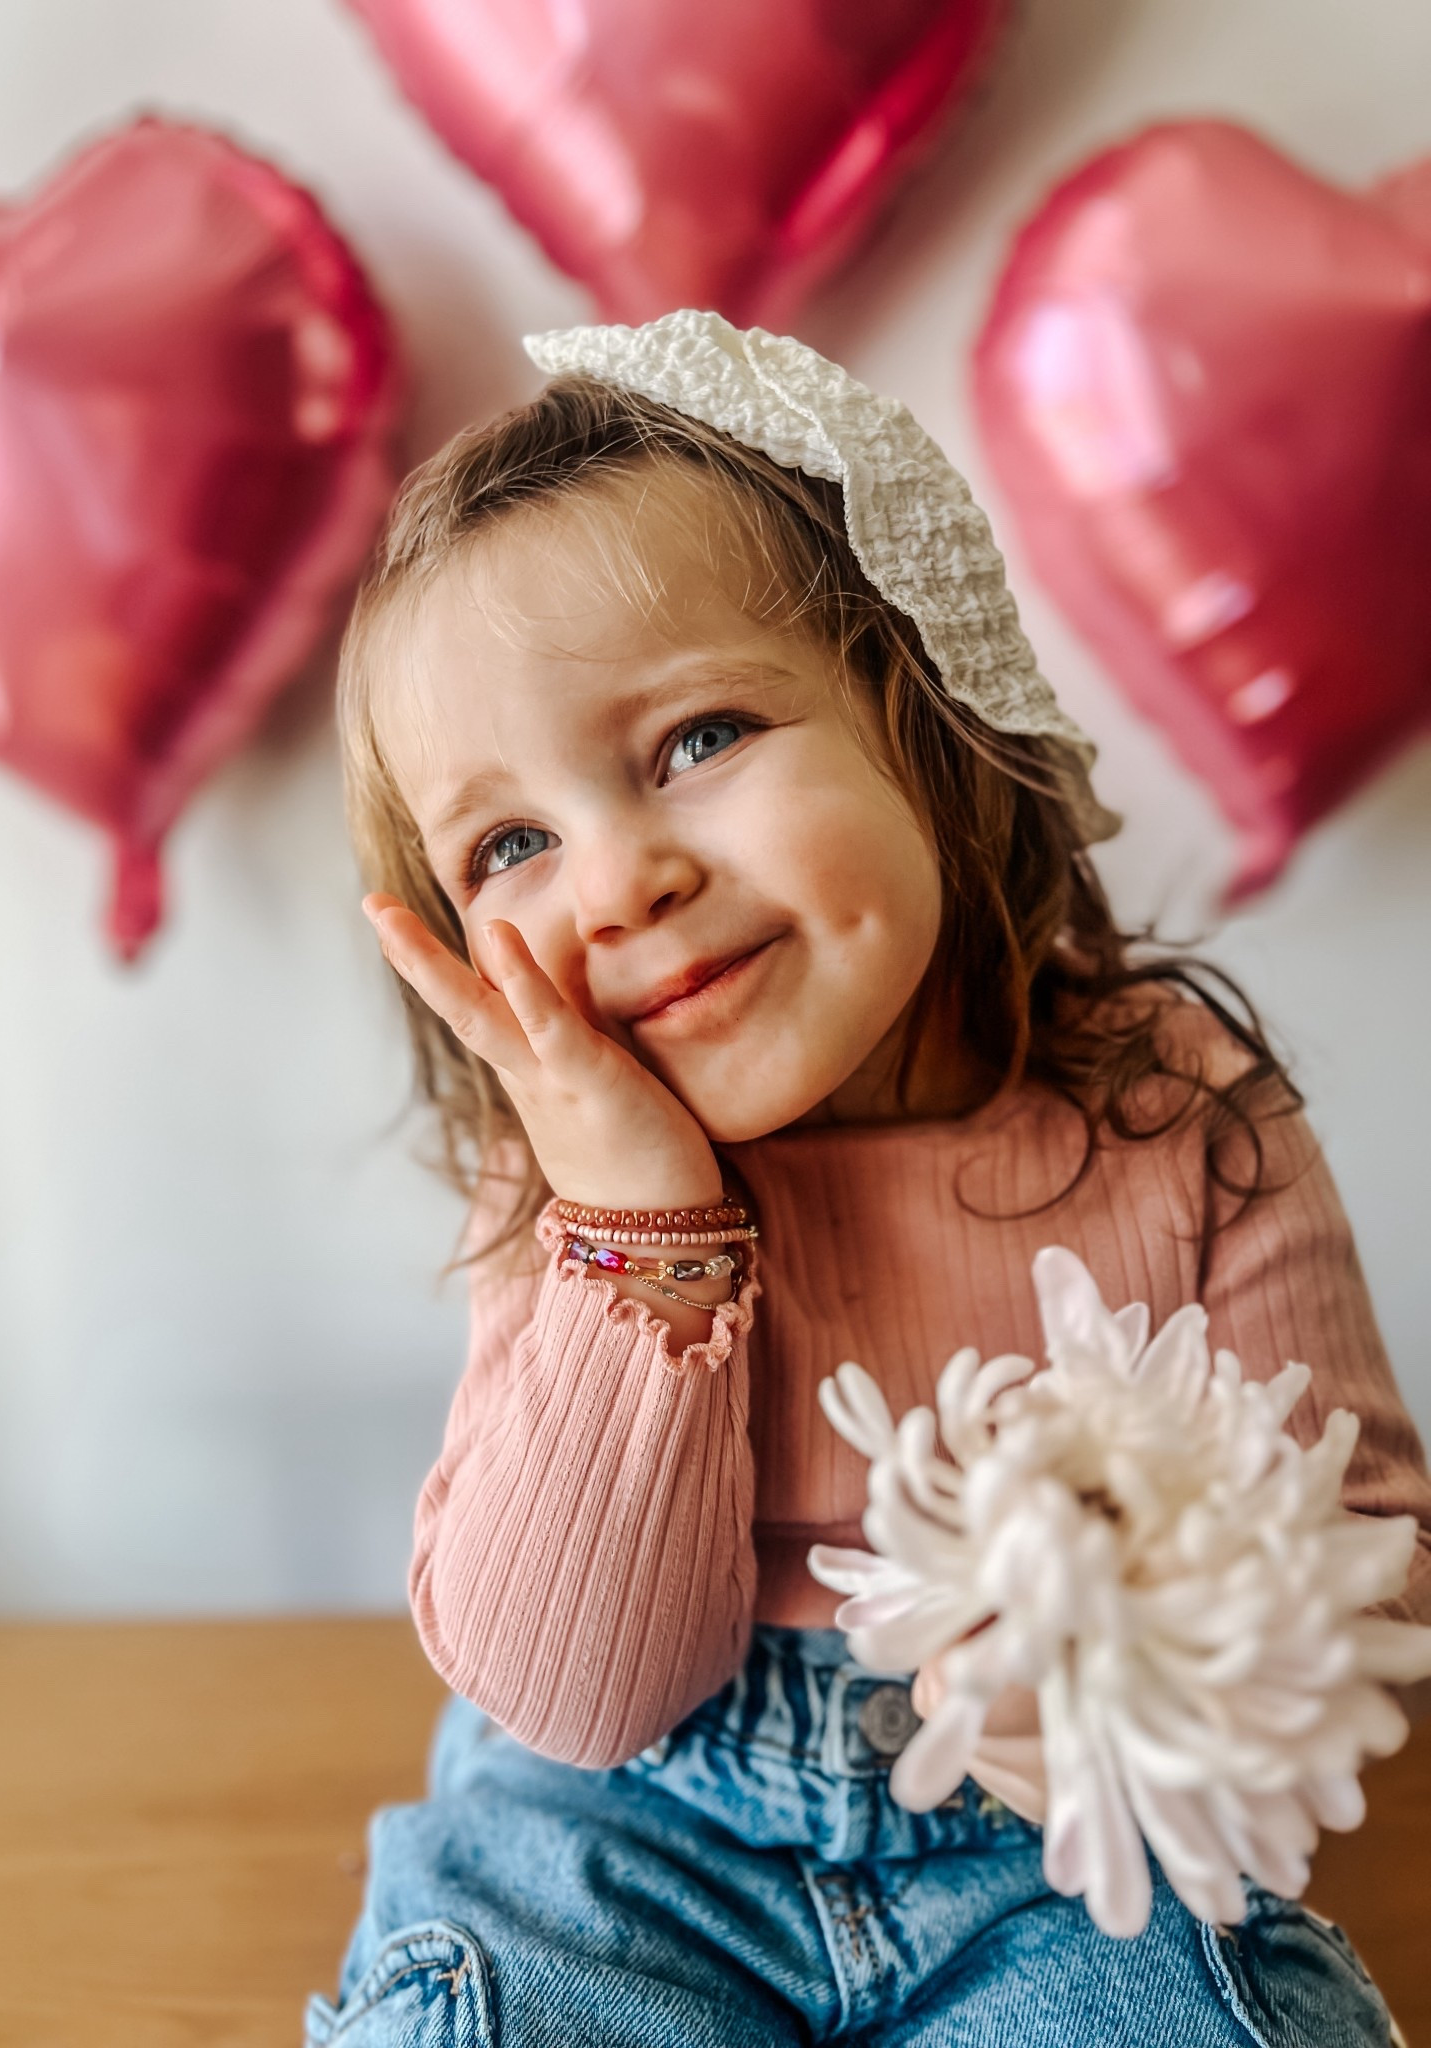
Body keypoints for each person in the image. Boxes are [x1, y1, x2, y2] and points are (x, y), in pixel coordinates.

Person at [305, 311, 1428, 2046]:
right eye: (511, 843)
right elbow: (578, 1695)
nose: (617, 884)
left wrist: (1152, 1659)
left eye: (695, 740)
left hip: (1056, 1849)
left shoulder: (1176, 1108)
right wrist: (642, 1223)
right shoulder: (561, 1193)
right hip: (623, 1832)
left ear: (928, 709)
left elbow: (1376, 1569)